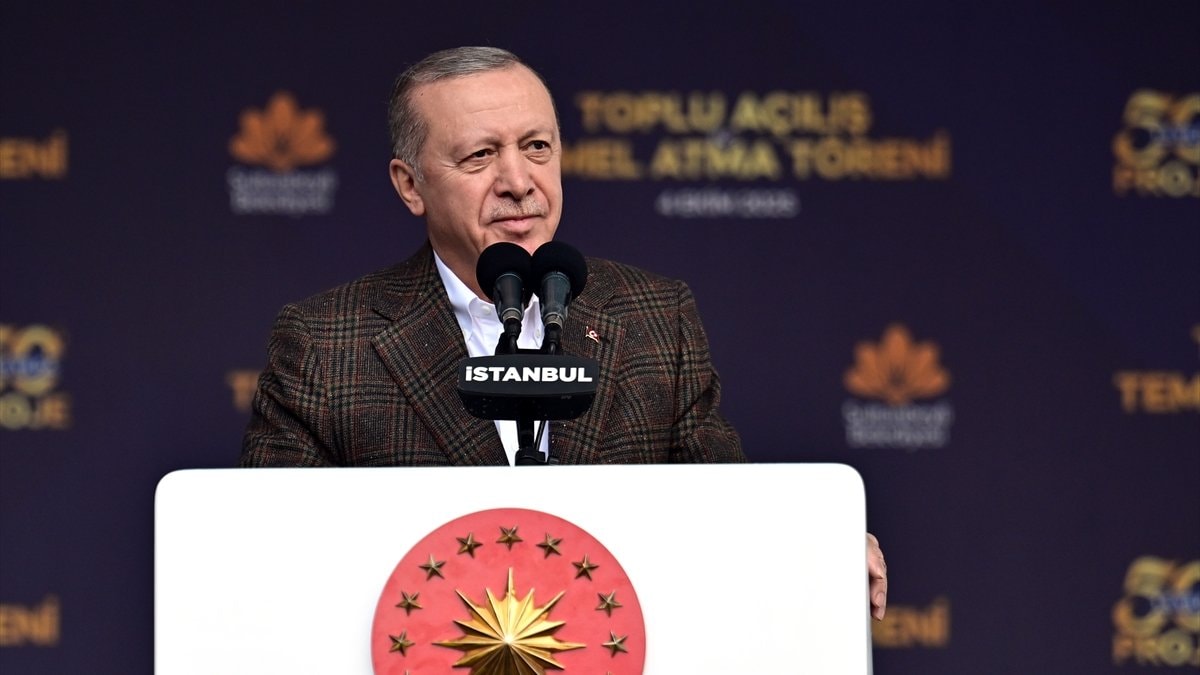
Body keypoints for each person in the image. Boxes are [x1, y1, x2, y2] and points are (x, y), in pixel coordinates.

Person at [239, 46, 886, 619]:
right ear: (411, 185)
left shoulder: (653, 316)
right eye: (480, 155)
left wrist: (812, 542)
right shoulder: (326, 343)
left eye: (537, 147)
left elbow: (724, 506)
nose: (519, 182)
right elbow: (268, 553)